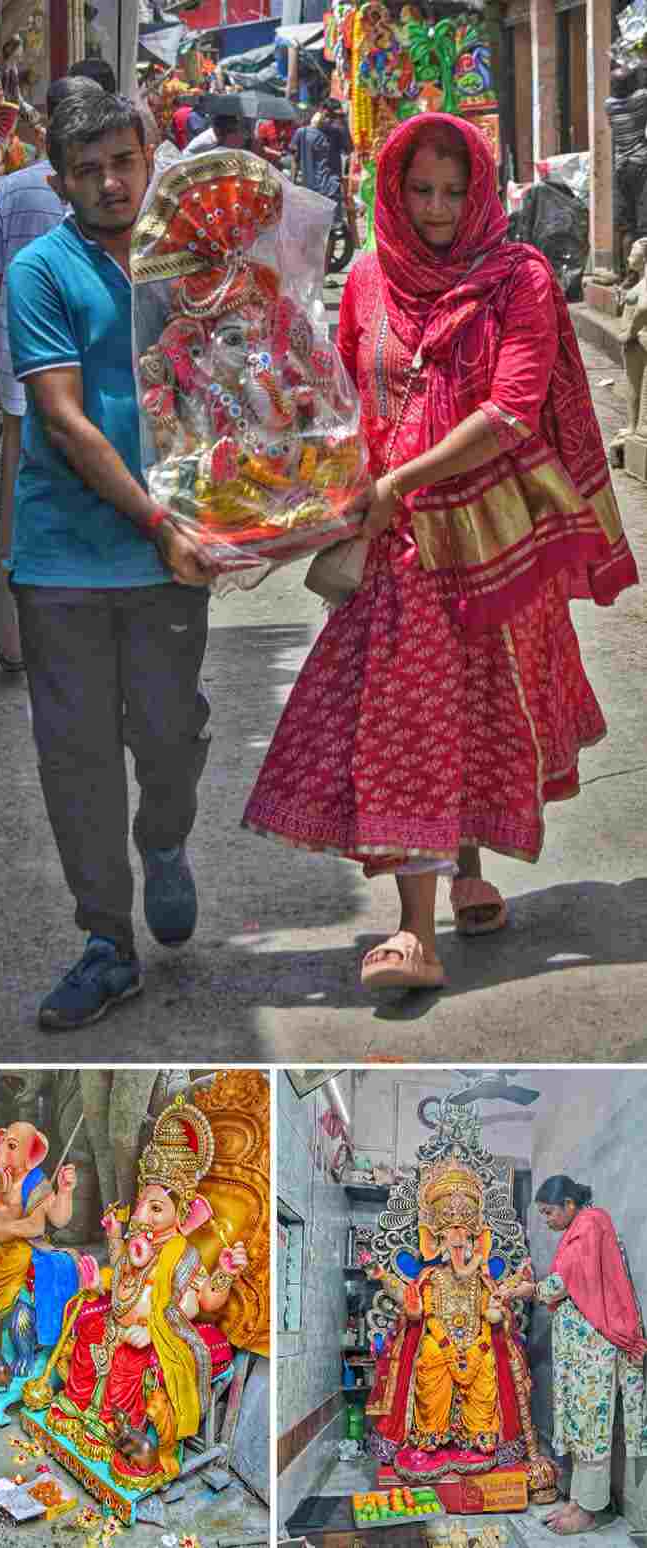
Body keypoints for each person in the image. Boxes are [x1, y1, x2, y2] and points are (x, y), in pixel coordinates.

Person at [243, 114, 638, 992]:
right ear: (391, 188)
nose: (436, 209)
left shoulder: (519, 277)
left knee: (477, 708)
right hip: (403, 551)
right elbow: (342, 396)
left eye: (455, 192)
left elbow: (509, 410)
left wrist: (395, 483)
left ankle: (467, 871)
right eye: (421, 190)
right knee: (411, 717)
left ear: (482, 192)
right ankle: (415, 933)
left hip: (494, 539)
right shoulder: (369, 282)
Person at [5, 90, 214, 1030]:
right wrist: (157, 522)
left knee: (169, 735)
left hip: (174, 554)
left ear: (150, 157)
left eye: (123, 161)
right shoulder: (40, 271)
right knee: (77, 755)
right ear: (58, 181)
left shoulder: (190, 258)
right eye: (87, 170)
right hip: (67, 556)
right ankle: (105, 942)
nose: (110, 182)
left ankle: (164, 837)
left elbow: (246, 373)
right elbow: (61, 413)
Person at [0, 74, 102, 673]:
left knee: (18, 501)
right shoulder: (114, 185)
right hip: (85, 372)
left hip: (25, 371)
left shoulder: (12, 188)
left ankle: (14, 641)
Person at [506, 1178, 647, 1535]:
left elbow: (569, 1278)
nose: (547, 1220)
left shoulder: (591, 1222)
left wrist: (531, 1289)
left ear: (570, 1204)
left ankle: (591, 1509)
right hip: (578, 1354)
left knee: (592, 1427)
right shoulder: (578, 1230)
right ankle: (578, 1502)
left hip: (595, 1349)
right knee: (577, 1424)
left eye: (549, 1212)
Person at [290, 99, 351, 271]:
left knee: (328, 233)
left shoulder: (337, 133)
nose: (332, 119)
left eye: (336, 116)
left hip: (329, 190)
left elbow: (349, 149)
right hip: (310, 191)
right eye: (331, 115)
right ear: (322, 111)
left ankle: (321, 276)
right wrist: (294, 185)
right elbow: (295, 160)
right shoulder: (302, 133)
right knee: (309, 234)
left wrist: (343, 122)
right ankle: (308, 273)